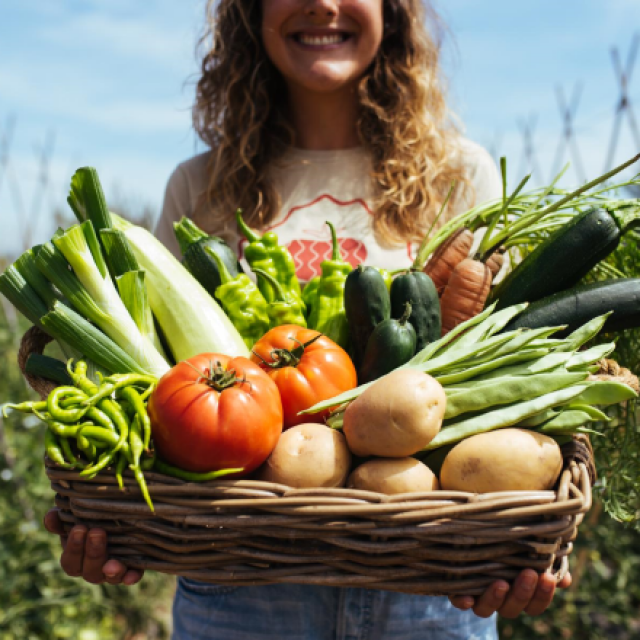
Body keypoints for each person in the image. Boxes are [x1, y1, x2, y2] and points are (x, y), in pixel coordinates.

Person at [44, 1, 572, 638]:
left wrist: (522, 545)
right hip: (239, 589)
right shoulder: (201, 186)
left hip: (430, 587)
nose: (322, 3)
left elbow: (518, 387)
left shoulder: (464, 178)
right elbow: (163, 396)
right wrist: (120, 518)